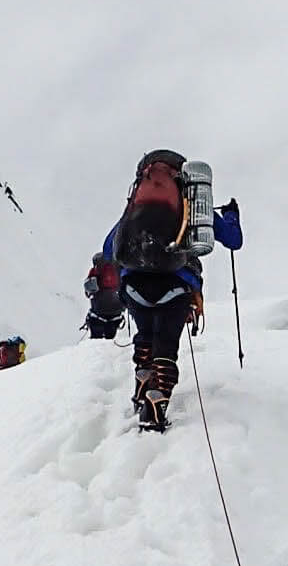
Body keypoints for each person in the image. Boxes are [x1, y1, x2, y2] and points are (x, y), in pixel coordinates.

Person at [83, 148, 242, 430]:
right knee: (166, 346)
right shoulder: (192, 207)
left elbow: (110, 250)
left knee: (145, 336)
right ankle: (156, 406)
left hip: (133, 285)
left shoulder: (133, 211)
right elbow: (233, 240)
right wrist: (230, 217)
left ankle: (143, 379)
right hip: (176, 286)